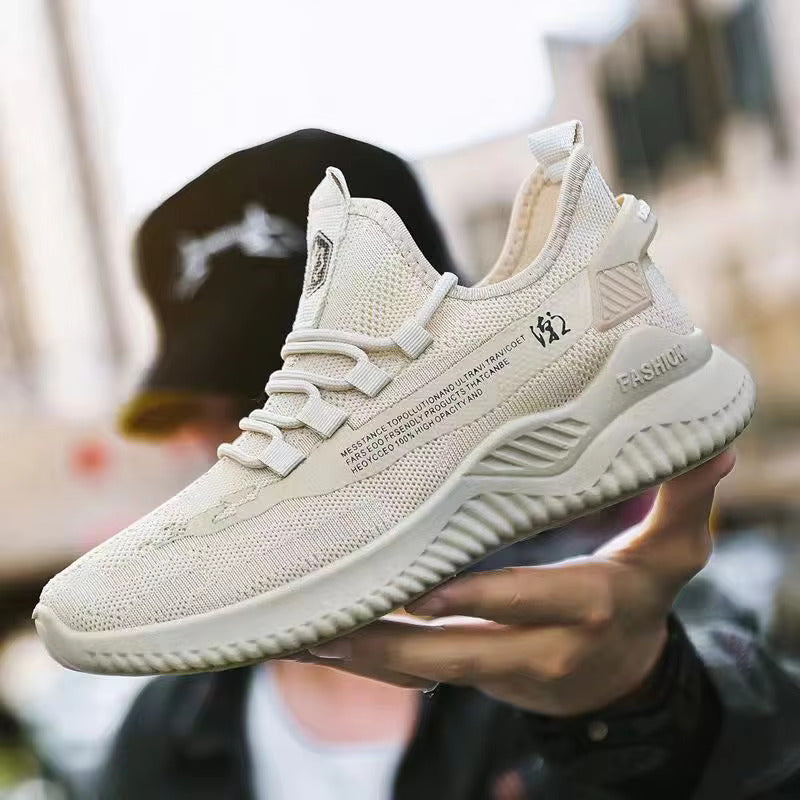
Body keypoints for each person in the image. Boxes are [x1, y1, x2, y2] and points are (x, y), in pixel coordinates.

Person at [97, 130, 800, 800]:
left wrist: (643, 701)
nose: (215, 452)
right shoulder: (169, 725)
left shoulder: (612, 610)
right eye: (202, 420)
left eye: (273, 415)